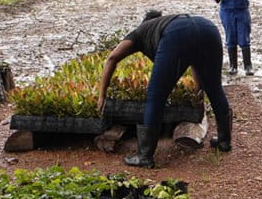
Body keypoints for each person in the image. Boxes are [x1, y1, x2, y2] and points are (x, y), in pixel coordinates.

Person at [98, 10, 232, 168]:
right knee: (215, 88)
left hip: (179, 36)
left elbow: (112, 58)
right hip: (209, 28)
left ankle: (145, 156)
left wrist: (102, 95)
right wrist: (198, 89)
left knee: (155, 96)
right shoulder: (168, 23)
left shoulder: (139, 33)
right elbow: (195, 60)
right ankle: (224, 141)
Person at [213, 0, 255, 75]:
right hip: (227, 12)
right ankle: (233, 66)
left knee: (244, 38)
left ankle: (248, 66)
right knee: (230, 38)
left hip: (242, 11)